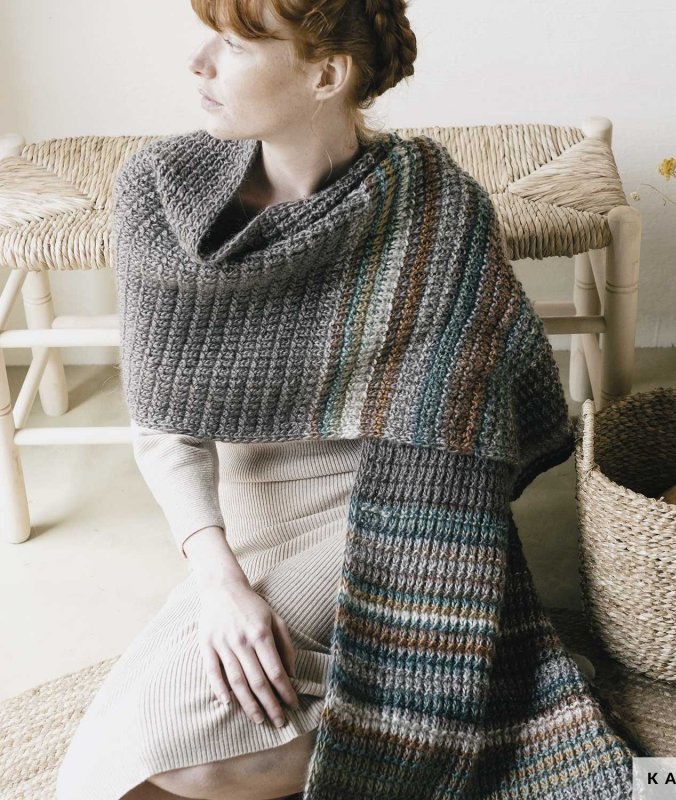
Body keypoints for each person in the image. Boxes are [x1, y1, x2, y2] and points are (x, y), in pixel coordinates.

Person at [56, 2, 418, 799]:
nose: (199, 62)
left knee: (184, 751)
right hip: (249, 512)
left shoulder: (433, 208)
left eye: (235, 43)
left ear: (326, 74)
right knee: (109, 771)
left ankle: (455, 723)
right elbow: (163, 423)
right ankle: (421, 711)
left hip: (398, 510)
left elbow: (476, 425)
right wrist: (218, 579)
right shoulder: (159, 192)